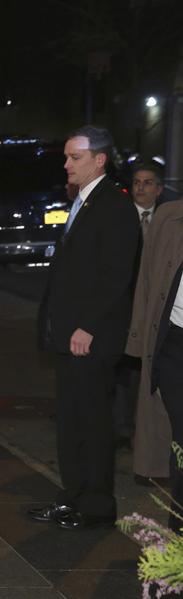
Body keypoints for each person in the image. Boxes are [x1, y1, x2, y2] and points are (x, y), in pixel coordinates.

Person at [31, 125, 140, 531]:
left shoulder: (114, 205)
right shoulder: (82, 202)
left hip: (91, 338)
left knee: (93, 421)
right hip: (70, 334)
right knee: (73, 419)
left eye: (75, 157)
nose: (67, 164)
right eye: (66, 157)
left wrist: (87, 327)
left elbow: (115, 277)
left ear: (99, 160)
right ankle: (72, 497)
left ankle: (96, 506)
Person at [126, 193, 183, 534]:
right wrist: (137, 340)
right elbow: (145, 283)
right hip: (175, 346)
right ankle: (178, 537)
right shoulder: (168, 218)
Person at [114, 162, 165, 451]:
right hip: (128, 308)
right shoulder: (122, 219)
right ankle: (123, 428)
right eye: (136, 182)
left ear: (159, 189)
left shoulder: (169, 220)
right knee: (127, 372)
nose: (141, 188)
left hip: (157, 309)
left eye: (147, 183)